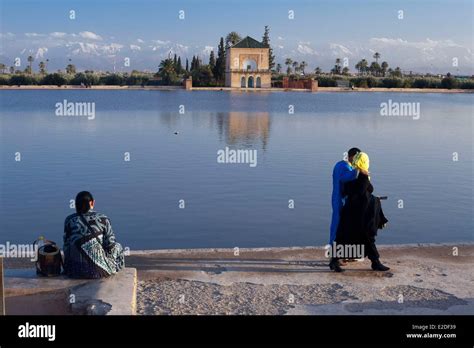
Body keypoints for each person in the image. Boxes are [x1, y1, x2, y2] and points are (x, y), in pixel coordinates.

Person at [329, 152, 389, 272]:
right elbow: (363, 194)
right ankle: (375, 262)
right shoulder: (362, 176)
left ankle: (334, 261)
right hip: (360, 214)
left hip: (348, 211)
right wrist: (376, 200)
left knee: (343, 236)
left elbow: (351, 191)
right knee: (368, 237)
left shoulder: (352, 175)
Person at [63, 191, 125, 278]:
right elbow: (111, 245)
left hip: (74, 272)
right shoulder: (103, 219)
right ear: (92, 203)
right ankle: (115, 272)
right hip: (99, 272)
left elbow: (66, 247)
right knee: (118, 247)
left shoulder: (69, 220)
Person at [329, 147, 367, 246]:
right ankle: (333, 250)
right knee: (337, 223)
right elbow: (347, 178)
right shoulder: (342, 166)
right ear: (350, 156)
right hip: (338, 199)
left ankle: (345, 251)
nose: (357, 161)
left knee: (345, 225)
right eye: (356, 158)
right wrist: (359, 170)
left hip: (343, 198)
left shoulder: (348, 166)